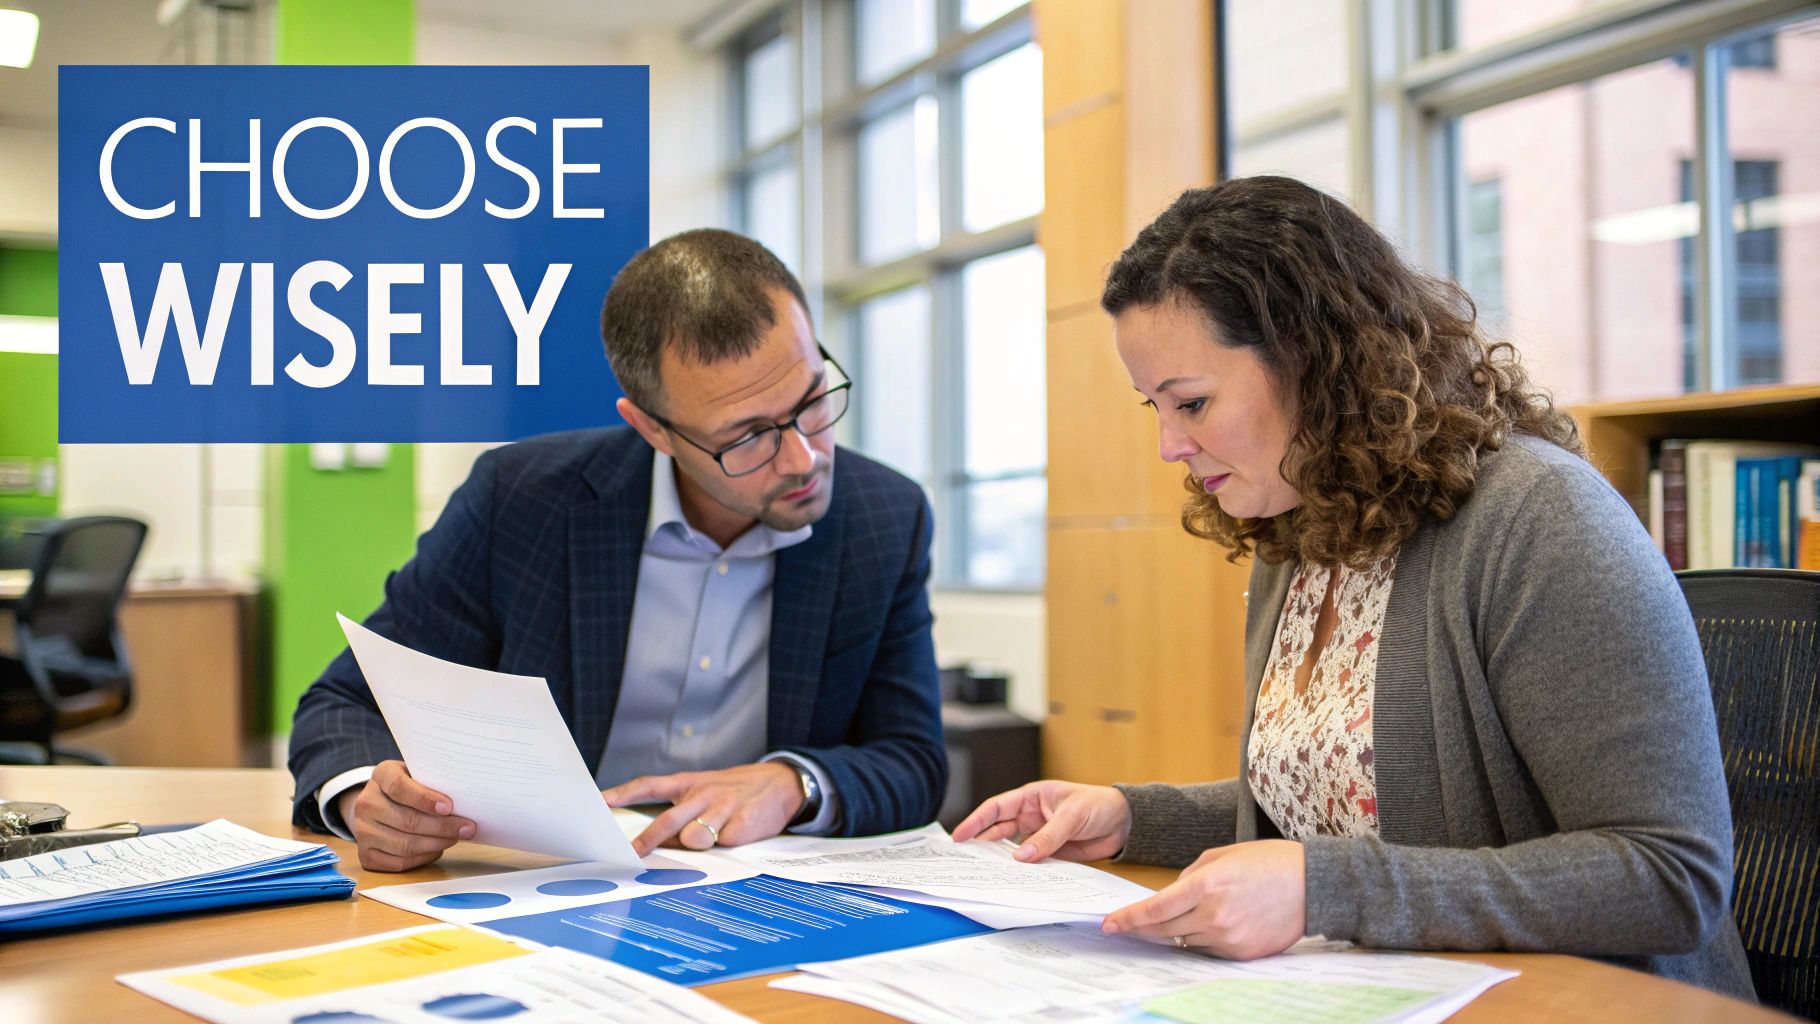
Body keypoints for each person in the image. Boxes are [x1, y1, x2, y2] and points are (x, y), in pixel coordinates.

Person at [954, 176, 1754, 999]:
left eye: (1190, 402)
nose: (1169, 446)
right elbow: (1351, 799)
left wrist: (1325, 890)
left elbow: (1667, 876)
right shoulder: (1302, 531)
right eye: (1152, 406)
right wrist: (1133, 816)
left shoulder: (1540, 519)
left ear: (1313, 360)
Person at [290, 229, 946, 871]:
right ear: (652, 428)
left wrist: (791, 782)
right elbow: (344, 703)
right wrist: (364, 801)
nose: (805, 457)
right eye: (747, 436)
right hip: (543, 886)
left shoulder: (883, 518)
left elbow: (913, 758)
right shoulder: (522, 500)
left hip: (758, 895)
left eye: (811, 401)